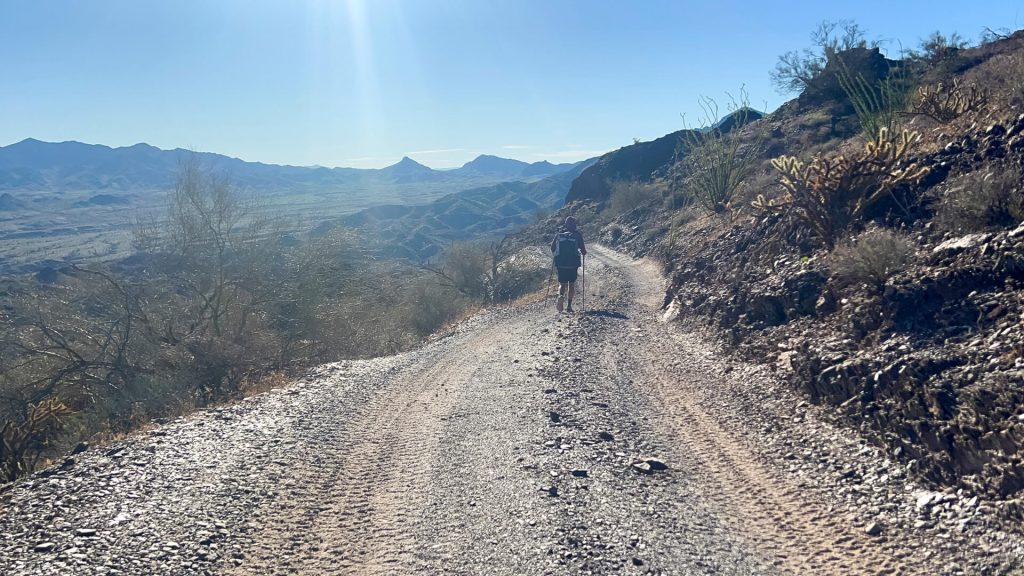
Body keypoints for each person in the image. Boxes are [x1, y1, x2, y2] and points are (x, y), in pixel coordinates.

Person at [550, 216, 586, 313]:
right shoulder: (577, 235)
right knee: (572, 285)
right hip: (573, 264)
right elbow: (583, 251)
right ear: (575, 225)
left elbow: (552, 248)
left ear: (565, 224)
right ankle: (569, 306)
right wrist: (582, 252)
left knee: (562, 284)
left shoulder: (559, 234)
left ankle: (561, 296)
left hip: (561, 264)